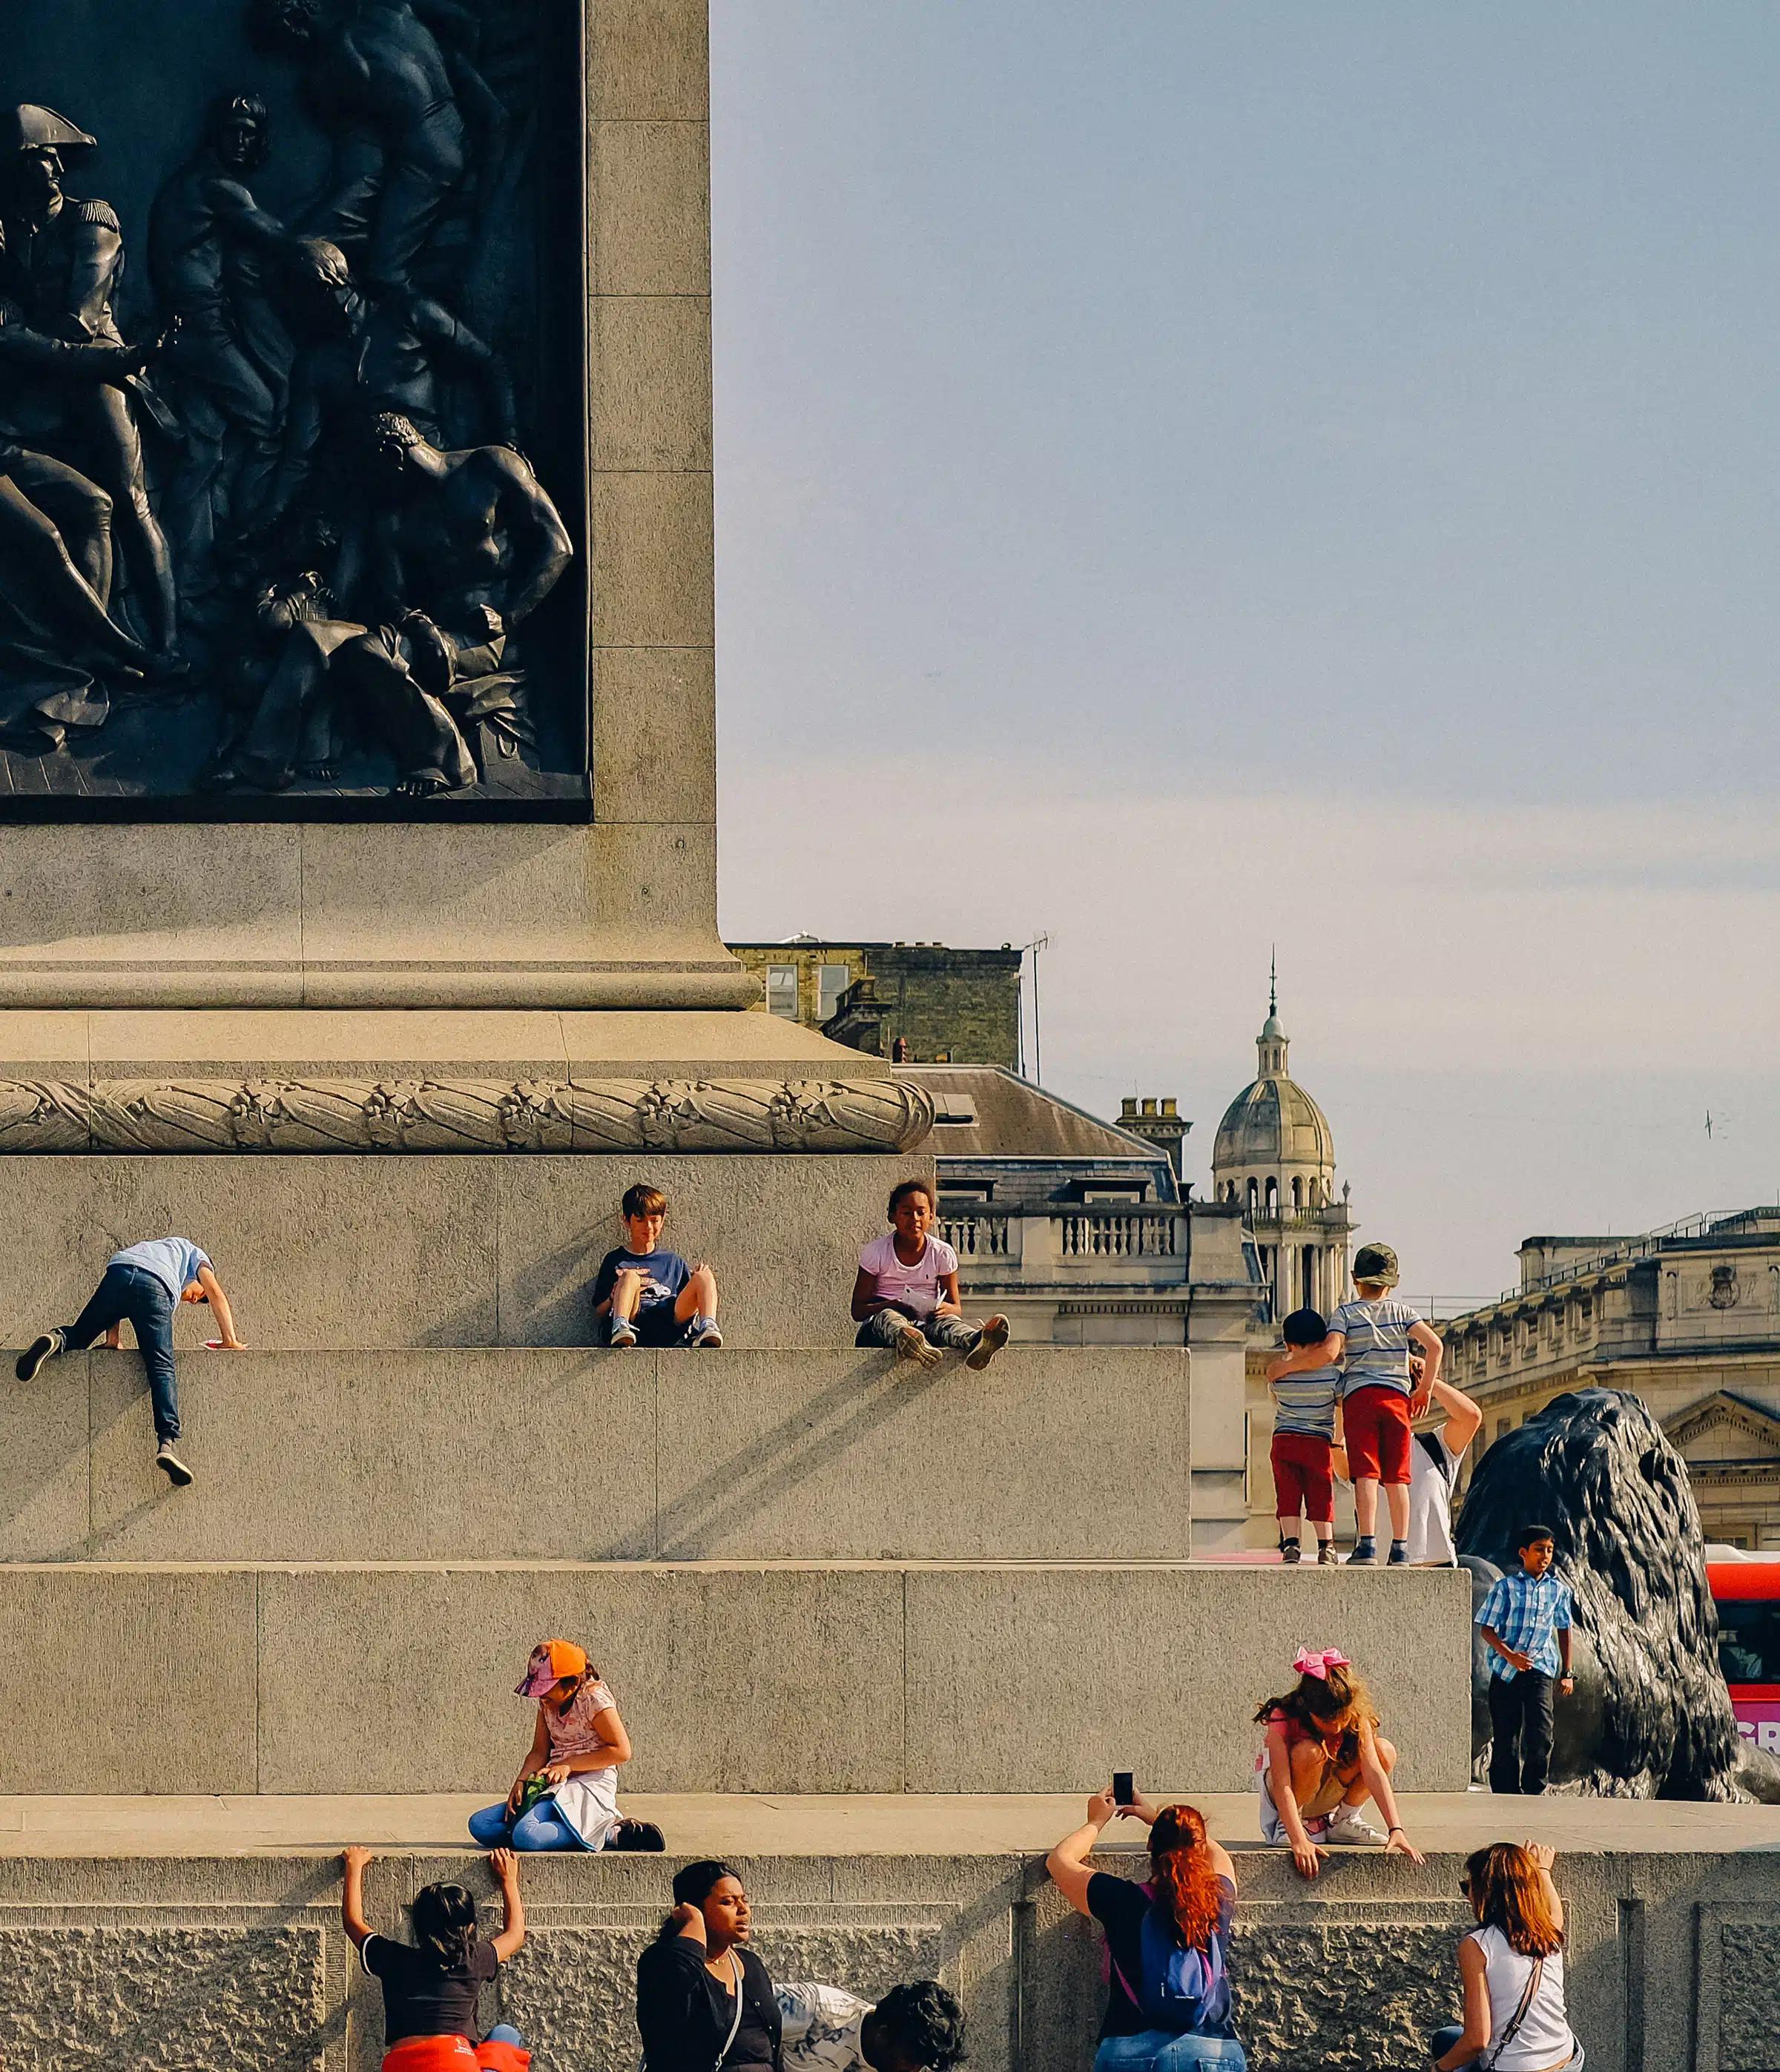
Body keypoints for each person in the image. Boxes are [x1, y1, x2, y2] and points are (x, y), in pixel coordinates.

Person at [16, 1236, 245, 1488]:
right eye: (197, 1296)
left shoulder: (152, 1249)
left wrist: (112, 1339)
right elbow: (216, 1293)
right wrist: (230, 1340)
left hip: (119, 1272)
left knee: (79, 1335)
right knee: (161, 1367)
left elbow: (120, 1302)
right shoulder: (195, 1254)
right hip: (154, 1286)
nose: (193, 1299)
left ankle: (55, 1339)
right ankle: (167, 1443)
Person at [1044, 1788, 1245, 2070]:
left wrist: (1096, 1821)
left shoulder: (1121, 1899)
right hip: (1213, 2051)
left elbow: (1060, 1860)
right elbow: (1218, 1855)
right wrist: (1159, 1818)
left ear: (1151, 1846)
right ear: (1198, 1846)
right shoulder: (1218, 1899)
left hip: (1131, 2051)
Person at [1302, 1242, 1443, 1565]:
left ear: (1354, 1278)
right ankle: (1401, 1547)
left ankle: (1367, 1544)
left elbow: (1330, 1352)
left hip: (1360, 1397)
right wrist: (1424, 1389)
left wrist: (1291, 1365)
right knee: (1398, 1477)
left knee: (1366, 1473)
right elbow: (1435, 1346)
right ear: (1393, 1282)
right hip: (1397, 1397)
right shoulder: (1403, 1313)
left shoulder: (1346, 1314)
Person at [341, 1844, 530, 2071]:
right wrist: (508, 1880)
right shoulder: (475, 1959)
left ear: (417, 1927)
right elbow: (515, 1934)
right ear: (470, 1928)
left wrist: (354, 1865)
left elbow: (353, 1922)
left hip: (402, 2065)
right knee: (505, 2035)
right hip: (457, 2062)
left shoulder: (393, 1959)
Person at [467, 1638, 664, 1852]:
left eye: (546, 1688)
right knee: (481, 1825)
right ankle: (569, 1830)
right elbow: (539, 1751)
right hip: (553, 1783)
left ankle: (609, 1833)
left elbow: (621, 1751)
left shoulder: (593, 1698)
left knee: (527, 1836)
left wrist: (568, 1765)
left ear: (570, 1683)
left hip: (589, 1783)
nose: (541, 1695)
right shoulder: (547, 1705)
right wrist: (522, 1781)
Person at [1253, 1649, 1425, 1878]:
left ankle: (1344, 1820)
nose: (1335, 1727)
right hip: (1290, 1797)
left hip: (1328, 1792)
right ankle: (1290, 1826)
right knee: (1310, 1751)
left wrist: (1396, 1828)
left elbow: (1374, 1771)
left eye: (1341, 1718)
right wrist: (1298, 1839)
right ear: (1308, 1709)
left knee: (1384, 1750)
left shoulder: (1356, 1714)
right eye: (1326, 1721)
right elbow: (1282, 1782)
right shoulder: (1283, 1716)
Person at [1431, 1842, 1582, 2071]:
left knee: (1446, 2046)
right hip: (1568, 2060)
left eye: (1468, 1886)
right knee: (1446, 2038)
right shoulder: (1548, 1931)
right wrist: (1543, 1870)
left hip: (1514, 2067)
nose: (1468, 1895)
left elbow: (1477, 2040)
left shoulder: (1477, 1947)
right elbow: (1555, 1912)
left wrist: (1438, 2069)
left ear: (1485, 1892)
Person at [636, 1860, 783, 2072]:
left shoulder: (750, 1964)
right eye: (728, 1902)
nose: (743, 1910)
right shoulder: (662, 1961)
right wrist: (693, 1923)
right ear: (696, 1909)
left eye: (744, 1900)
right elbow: (677, 1981)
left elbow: (772, 2046)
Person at [851, 1178, 1009, 1371]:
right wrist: (891, 1305)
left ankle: (976, 1340)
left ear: (931, 1217)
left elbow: (956, 1307)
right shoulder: (876, 1252)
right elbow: (857, 1311)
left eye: (921, 1212)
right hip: (880, 1328)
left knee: (948, 1323)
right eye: (907, 1213)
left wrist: (943, 1309)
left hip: (926, 1324)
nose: (915, 1218)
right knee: (889, 1317)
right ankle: (908, 1339)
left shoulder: (942, 1252)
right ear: (893, 1216)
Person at [1477, 1527, 1575, 1796]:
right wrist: (1509, 1654)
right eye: (1539, 1549)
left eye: (1549, 1550)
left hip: (1540, 1669)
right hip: (1506, 1670)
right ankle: (1506, 1792)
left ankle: (1534, 1789)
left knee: (1541, 1732)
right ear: (1524, 1553)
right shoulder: (1506, 1588)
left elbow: (1565, 1629)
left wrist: (1567, 1672)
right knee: (1506, 1735)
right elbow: (1486, 1628)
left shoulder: (1558, 1591)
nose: (1545, 1556)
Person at [592, 1184, 721, 1349]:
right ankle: (620, 1326)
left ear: (662, 1220)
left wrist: (699, 1284)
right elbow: (599, 1311)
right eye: (640, 1221)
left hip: (667, 1322)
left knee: (704, 1275)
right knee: (630, 1276)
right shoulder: (615, 1259)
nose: (649, 1228)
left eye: (654, 1220)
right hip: (634, 1318)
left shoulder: (672, 1261)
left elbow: (685, 1307)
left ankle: (708, 1326)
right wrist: (613, 1295)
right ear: (626, 1221)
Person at [1264, 1306, 1341, 1565]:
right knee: (1321, 1494)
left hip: (1284, 1440)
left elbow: (1273, 1391)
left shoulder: (1279, 1376)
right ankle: (1326, 1546)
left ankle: (1291, 1544)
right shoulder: (1333, 1377)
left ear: (1288, 1344)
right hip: (1317, 1441)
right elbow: (1341, 1406)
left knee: (1288, 1495)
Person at [775, 1979, 966, 2072]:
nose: (913, 2071)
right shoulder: (814, 2008)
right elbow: (746, 2013)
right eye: (911, 2059)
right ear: (884, 2032)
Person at [1405, 1367, 1483, 1567]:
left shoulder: (1434, 1445)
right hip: (1380, 1573)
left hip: (1437, 1565)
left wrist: (1426, 1380)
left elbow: (1471, 1417)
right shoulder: (1364, 1452)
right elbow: (1336, 1444)